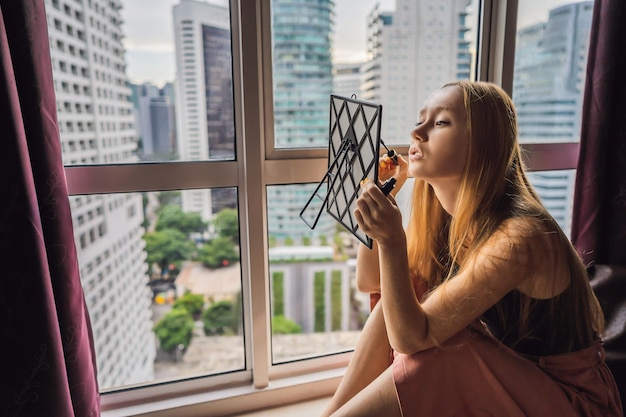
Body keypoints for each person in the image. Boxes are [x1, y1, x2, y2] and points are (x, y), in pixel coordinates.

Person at [320, 81, 623, 417]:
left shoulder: (521, 237)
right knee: (411, 289)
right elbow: (372, 282)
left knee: (446, 354)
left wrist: (392, 239)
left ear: (482, 144)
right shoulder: (446, 217)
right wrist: (383, 198)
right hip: (511, 375)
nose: (416, 132)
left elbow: (410, 339)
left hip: (567, 399)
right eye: (421, 119)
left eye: (440, 123)